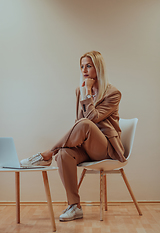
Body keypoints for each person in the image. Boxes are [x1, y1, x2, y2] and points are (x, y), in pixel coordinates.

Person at [20, 51, 126, 221]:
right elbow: (79, 121)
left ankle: (47, 154)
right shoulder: (80, 91)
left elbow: (91, 119)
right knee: (63, 154)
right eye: (82, 66)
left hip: (105, 148)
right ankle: (74, 206)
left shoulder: (113, 93)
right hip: (86, 145)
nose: (84, 69)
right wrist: (85, 92)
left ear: (98, 68)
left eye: (89, 66)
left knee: (86, 124)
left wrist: (88, 91)